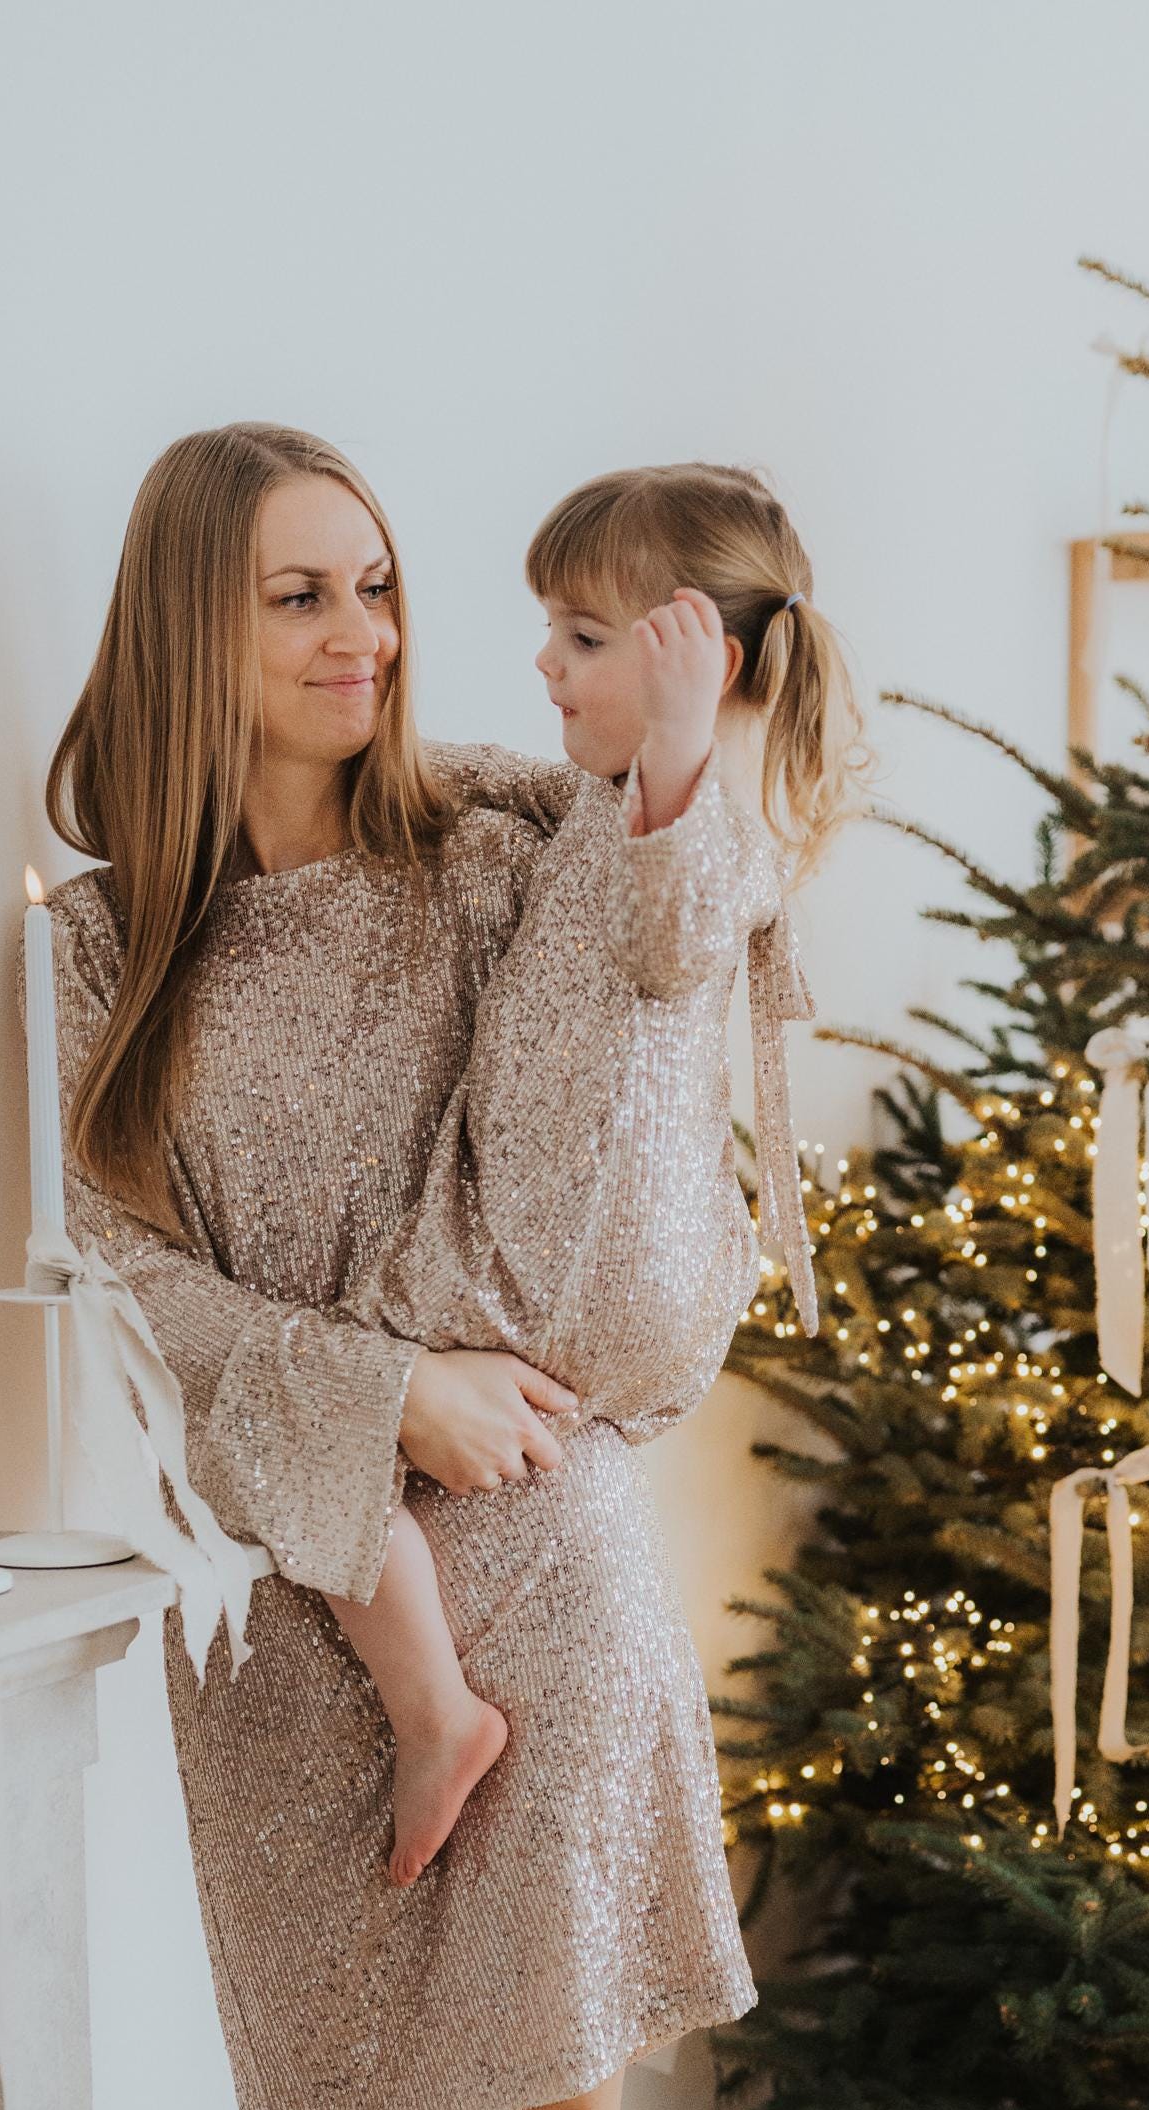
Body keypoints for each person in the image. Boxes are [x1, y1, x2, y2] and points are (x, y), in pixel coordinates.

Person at [38, 427, 854, 2110]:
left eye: (377, 588)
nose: (363, 638)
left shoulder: (500, 841)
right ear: (195, 623)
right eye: (303, 596)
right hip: (287, 1590)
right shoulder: (101, 948)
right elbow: (129, 1289)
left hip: (549, 1567)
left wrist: (703, 746)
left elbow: (686, 925)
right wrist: (380, 1395)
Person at [325, 463, 863, 1888]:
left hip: (563, 1264)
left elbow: (684, 926)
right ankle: (434, 1697)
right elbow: (484, 781)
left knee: (314, 1412)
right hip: (591, 1253)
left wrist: (685, 741)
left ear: (697, 655)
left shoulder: (701, 827)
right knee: (340, 1412)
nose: (545, 664)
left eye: (580, 636)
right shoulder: (600, 803)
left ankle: (435, 1710)